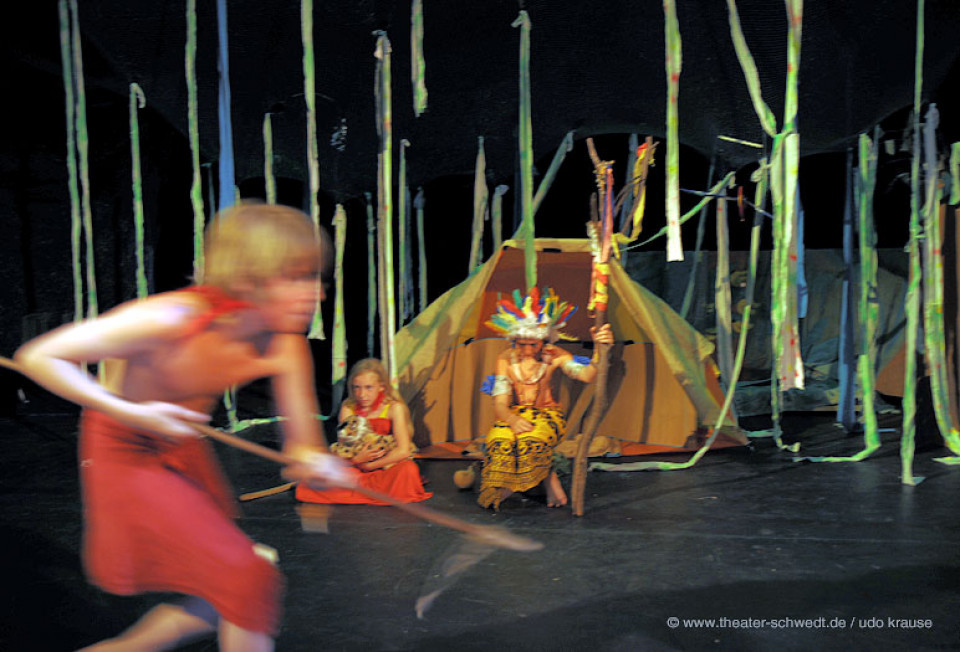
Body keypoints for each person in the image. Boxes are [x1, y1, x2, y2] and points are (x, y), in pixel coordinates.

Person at [13, 203, 352, 652]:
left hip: (178, 446)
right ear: (251, 277)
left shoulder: (286, 343)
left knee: (235, 585)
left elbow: (303, 448)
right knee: (245, 576)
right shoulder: (172, 318)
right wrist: (133, 412)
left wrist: (319, 465)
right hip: (123, 448)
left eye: (316, 278)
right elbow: (39, 356)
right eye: (296, 277)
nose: (316, 294)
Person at [478, 287, 614, 510]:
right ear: (513, 340)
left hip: (547, 415)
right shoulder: (505, 359)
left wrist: (600, 350)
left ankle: (517, 485)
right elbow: (500, 404)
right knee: (498, 440)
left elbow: (588, 375)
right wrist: (512, 421)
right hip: (515, 413)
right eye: (522, 344)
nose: (529, 349)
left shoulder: (554, 355)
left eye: (534, 344)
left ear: (544, 339)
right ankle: (546, 479)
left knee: (530, 441)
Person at [296, 358, 433, 505]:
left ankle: (367, 489)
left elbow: (403, 451)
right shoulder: (348, 407)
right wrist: (357, 460)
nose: (362, 394)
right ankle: (372, 490)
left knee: (408, 470)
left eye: (368, 388)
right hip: (356, 467)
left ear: (381, 387)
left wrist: (369, 465)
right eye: (357, 387)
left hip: (384, 465)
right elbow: (344, 449)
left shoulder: (394, 408)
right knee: (314, 473)